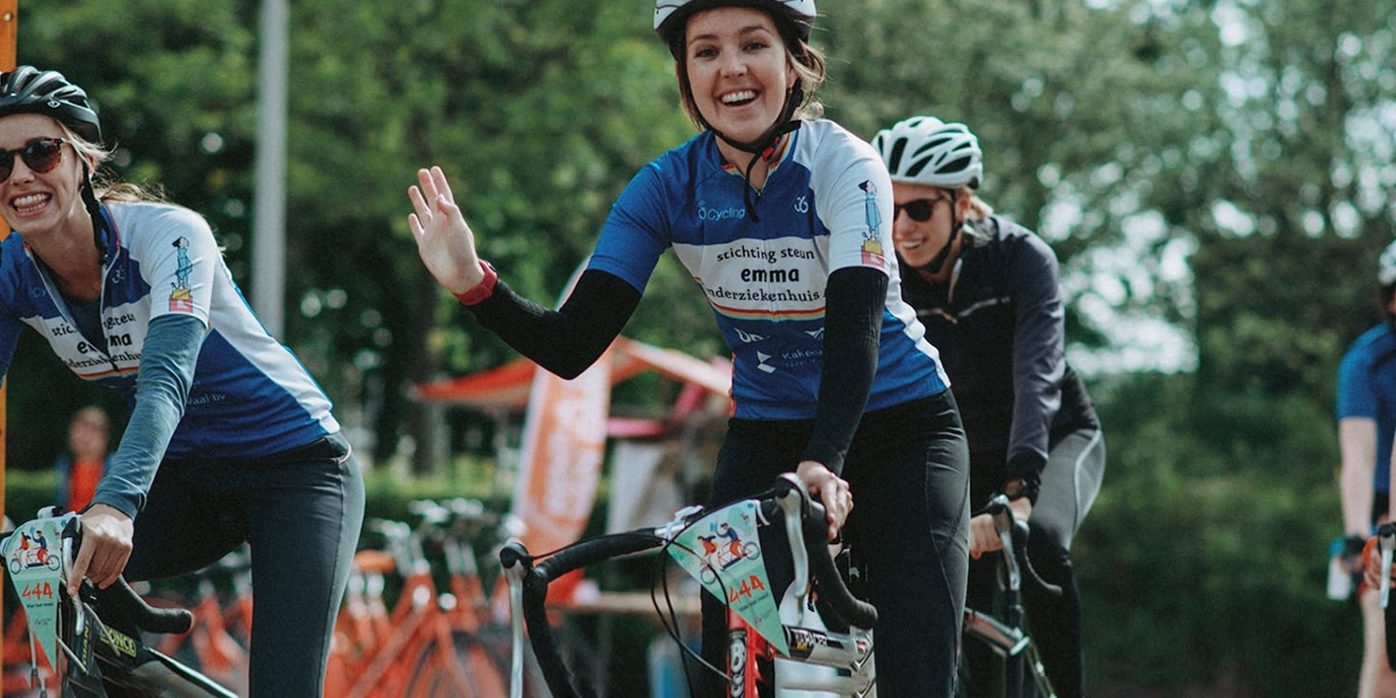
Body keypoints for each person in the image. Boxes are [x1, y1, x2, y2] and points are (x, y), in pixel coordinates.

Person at [407, 2, 971, 694]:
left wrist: (825, 460)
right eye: (706, 51)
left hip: (901, 425)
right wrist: (474, 285)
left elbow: (857, 330)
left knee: (920, 668)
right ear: (685, 74)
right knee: (720, 662)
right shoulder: (664, 188)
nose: (731, 68)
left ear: (795, 62)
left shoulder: (845, 165)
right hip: (769, 428)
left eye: (753, 44)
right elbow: (573, 345)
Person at [0, 66, 365, 698]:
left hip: (298, 470)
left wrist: (114, 506)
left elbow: (166, 382)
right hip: (192, 478)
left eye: (41, 152)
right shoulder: (9, 274)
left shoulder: (168, 235)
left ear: (83, 161)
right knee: (60, 569)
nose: (20, 176)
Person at [872, 115, 1105, 698]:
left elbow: (1037, 377)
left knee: (1038, 542)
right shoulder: (884, 276)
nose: (902, 227)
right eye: (889, 208)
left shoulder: (1020, 259)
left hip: (1052, 437)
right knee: (953, 595)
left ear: (962, 203)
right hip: (961, 452)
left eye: (919, 209)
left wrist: (1022, 490)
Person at [1339, 239, 1396, 698]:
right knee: (1386, 653)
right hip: (1384, 513)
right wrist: (1359, 535)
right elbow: (1358, 455)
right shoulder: (1367, 361)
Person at [53, 405, 113, 512]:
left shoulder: (115, 467)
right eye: (78, 430)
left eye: (92, 431)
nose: (84, 437)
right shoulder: (63, 465)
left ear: (105, 437)